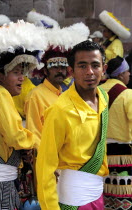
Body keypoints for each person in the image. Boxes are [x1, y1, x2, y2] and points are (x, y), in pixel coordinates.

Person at [36, 40, 109, 210]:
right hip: (73, 199)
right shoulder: (60, 110)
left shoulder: (103, 97)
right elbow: (45, 166)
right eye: (82, 66)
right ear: (71, 71)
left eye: (95, 65)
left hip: (98, 193)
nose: (89, 72)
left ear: (104, 69)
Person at [0, 20, 47, 210]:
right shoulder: (0, 95)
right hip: (0, 185)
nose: (22, 78)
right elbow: (15, 136)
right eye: (16, 72)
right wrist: (37, 143)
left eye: (22, 73)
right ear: (0, 75)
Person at [100, 56, 132, 210]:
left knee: (106, 195)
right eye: (127, 72)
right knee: (124, 197)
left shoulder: (97, 91)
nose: (129, 74)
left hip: (100, 153)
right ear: (120, 75)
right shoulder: (128, 95)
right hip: (123, 155)